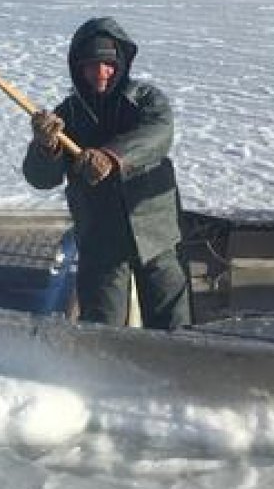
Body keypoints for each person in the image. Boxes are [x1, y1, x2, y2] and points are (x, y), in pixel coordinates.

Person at [22, 16, 192, 330]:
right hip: (100, 237)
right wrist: (45, 147)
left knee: (173, 321)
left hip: (154, 228)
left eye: (108, 64)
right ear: (78, 67)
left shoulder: (145, 100)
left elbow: (159, 134)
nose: (101, 73)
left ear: (121, 64)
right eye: (91, 65)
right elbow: (41, 178)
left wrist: (111, 156)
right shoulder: (67, 114)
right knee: (101, 326)